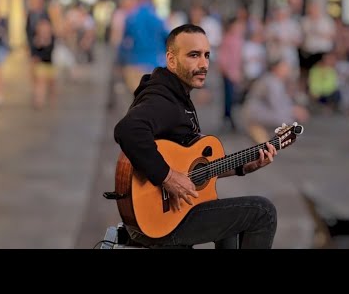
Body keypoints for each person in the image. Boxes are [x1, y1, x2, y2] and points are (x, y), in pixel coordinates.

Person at [114, 24, 278, 249]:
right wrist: (167, 177)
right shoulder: (163, 100)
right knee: (262, 212)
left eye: (207, 55)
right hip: (161, 223)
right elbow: (128, 130)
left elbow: (195, 171)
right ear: (171, 60)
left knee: (226, 216)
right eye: (194, 55)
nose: (203, 64)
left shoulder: (177, 94)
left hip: (168, 215)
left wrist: (243, 167)